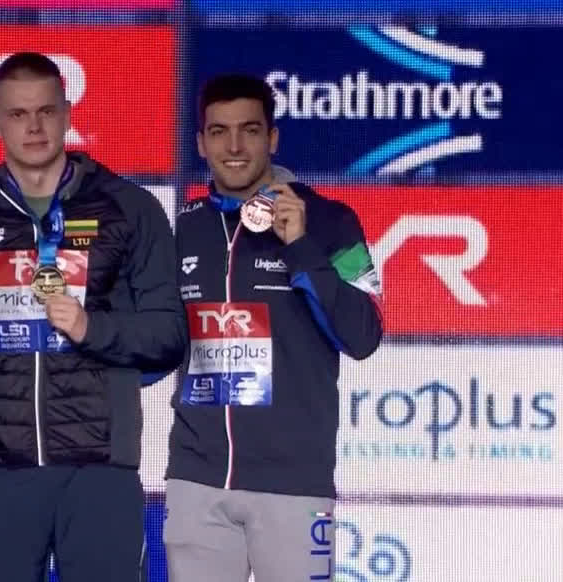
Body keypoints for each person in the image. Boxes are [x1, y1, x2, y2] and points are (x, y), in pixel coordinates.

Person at [0, 52, 186, 581]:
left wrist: (92, 328)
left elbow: (168, 334)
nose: (34, 126)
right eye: (18, 114)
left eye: (46, 111)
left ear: (67, 114)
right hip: (3, 468)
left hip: (99, 469)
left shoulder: (130, 209)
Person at [163, 74, 383, 582]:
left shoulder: (332, 221)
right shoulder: (184, 227)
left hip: (294, 484)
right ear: (201, 143)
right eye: (219, 132)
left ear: (273, 138)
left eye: (250, 130)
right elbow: (157, 342)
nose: (234, 147)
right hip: (196, 480)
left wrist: (301, 246)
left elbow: (364, 333)